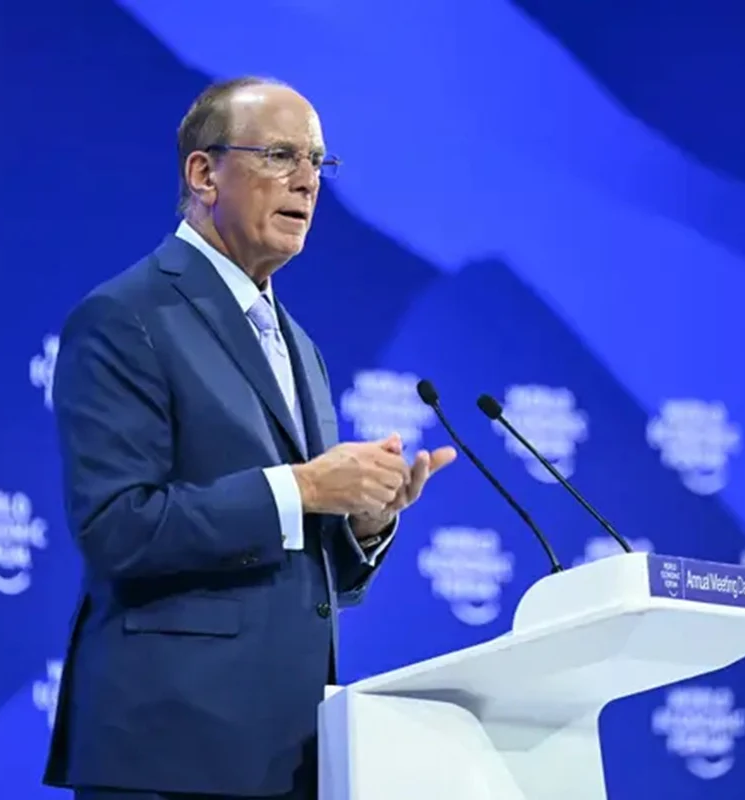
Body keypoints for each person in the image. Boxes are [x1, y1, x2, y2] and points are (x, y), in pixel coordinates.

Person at [42, 76, 456, 800]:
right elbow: (116, 527)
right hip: (169, 752)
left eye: (317, 162)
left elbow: (306, 572)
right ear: (204, 174)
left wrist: (360, 523)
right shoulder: (126, 316)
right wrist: (303, 487)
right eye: (280, 155)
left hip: (288, 756)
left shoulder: (299, 345)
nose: (308, 181)